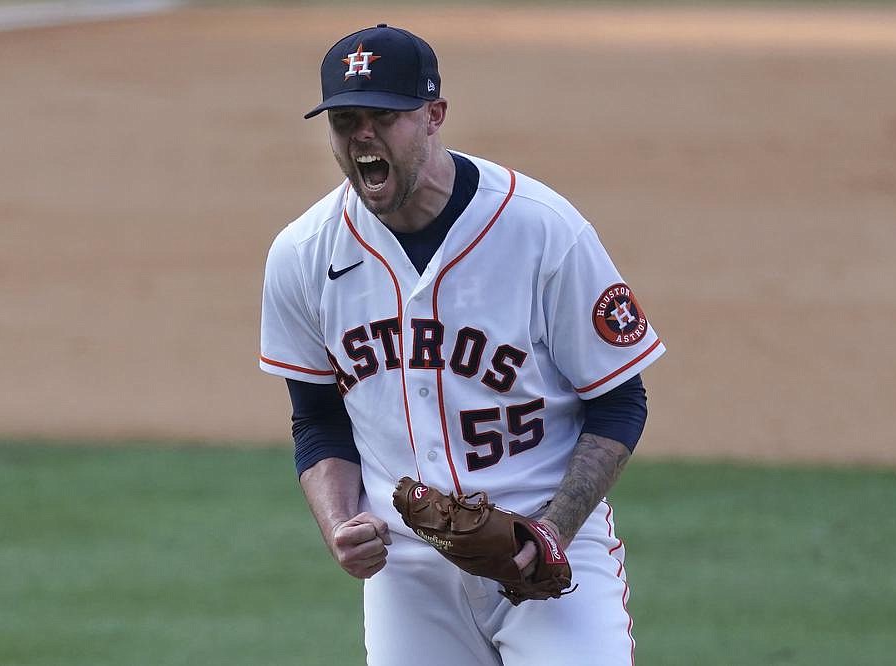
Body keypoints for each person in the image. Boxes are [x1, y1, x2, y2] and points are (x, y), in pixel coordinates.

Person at [259, 23, 665, 666]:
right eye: (345, 120)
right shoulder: (303, 256)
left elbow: (621, 402)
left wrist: (552, 532)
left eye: (383, 117)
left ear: (433, 116)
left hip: (551, 551)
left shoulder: (542, 231)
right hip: (406, 573)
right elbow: (317, 419)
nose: (362, 134)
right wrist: (339, 522)